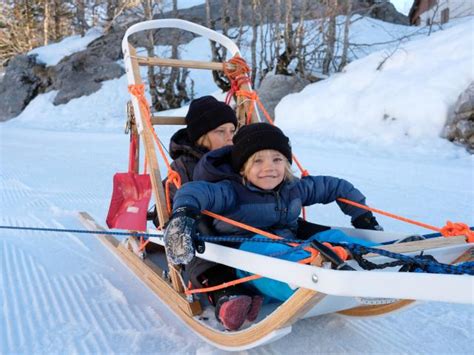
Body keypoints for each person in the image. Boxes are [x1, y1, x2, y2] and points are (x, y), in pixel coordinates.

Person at [164, 122, 382, 330]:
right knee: (265, 250)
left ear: (286, 165)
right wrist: (182, 216)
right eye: (257, 161)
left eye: (277, 160)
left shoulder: (293, 188)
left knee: (332, 235)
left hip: (290, 246)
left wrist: (363, 216)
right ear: (243, 168)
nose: (269, 168)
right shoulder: (230, 191)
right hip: (246, 257)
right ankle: (314, 277)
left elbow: (336, 186)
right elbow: (193, 191)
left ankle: (382, 258)